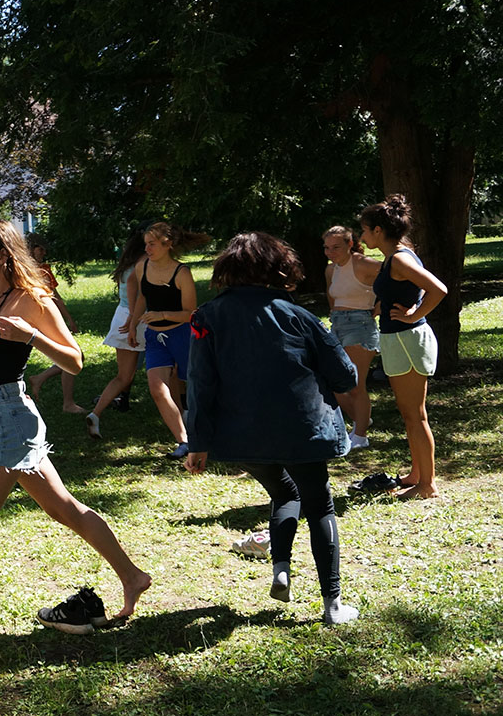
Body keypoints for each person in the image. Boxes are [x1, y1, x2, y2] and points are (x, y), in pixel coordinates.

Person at [0, 219, 150, 674]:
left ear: (3, 255)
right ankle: (133, 576)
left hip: (11, 426)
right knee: (66, 509)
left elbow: (75, 359)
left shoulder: (33, 299)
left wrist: (32, 336)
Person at [184, 232, 360, 624]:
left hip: (243, 436)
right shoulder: (298, 315)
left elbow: (199, 383)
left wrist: (198, 441)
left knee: (283, 492)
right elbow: (346, 376)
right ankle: (333, 605)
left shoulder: (206, 317)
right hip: (304, 432)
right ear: (278, 268)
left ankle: (281, 568)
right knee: (319, 506)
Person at [359, 195, 447, 499]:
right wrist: (384, 306)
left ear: (378, 230)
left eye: (365, 231)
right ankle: (417, 474)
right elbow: (408, 289)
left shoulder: (399, 258)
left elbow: (438, 289)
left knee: (415, 415)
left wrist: (413, 314)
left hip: (408, 340)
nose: (362, 237)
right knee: (409, 413)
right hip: (397, 339)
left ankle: (427, 485)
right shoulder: (396, 256)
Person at [127, 222, 209, 458]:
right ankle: (184, 441)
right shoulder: (142, 266)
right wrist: (133, 325)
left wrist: (162, 314)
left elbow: (191, 313)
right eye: (146, 244)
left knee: (197, 386)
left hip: (182, 335)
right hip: (154, 337)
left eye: (152, 244)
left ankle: (213, 431)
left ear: (168, 244)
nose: (147, 249)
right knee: (157, 389)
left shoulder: (181, 273)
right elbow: (143, 297)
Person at [323, 226, 382, 449]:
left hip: (360, 325)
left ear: (349, 244)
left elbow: (399, 279)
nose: (330, 253)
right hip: (337, 324)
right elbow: (331, 296)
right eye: (327, 248)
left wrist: (380, 306)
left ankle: (360, 436)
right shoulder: (331, 270)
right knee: (334, 382)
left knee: (356, 385)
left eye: (336, 247)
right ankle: (362, 419)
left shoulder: (365, 264)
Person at [86, 231, 148, 437]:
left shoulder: (127, 262)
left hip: (122, 316)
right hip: (136, 319)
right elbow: (135, 288)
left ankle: (95, 414)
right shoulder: (143, 261)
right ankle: (183, 416)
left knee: (123, 376)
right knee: (166, 370)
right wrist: (133, 319)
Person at [25, 233, 84, 413]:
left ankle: (40, 380)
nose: (44, 253)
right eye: (40, 249)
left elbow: (54, 296)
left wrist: (68, 319)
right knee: (74, 356)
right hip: (37, 319)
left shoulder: (41, 269)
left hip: (41, 319)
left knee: (74, 356)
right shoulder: (26, 271)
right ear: (31, 249)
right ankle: (67, 403)